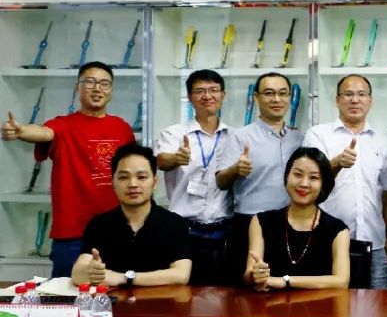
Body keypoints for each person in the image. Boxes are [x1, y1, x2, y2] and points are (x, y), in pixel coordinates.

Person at [2, 61, 135, 277]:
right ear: (77, 87)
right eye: (89, 82)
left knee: (117, 292)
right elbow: (43, 133)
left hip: (117, 229)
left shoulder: (122, 128)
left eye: (104, 83)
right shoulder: (63, 125)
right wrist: (21, 131)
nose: (97, 88)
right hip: (72, 233)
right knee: (65, 292)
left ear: (111, 90)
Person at [303, 74, 387, 289]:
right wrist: (336, 162)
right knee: (328, 303)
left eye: (361, 94)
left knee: (375, 304)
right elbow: (309, 180)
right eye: (348, 94)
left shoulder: (382, 142)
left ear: (370, 101)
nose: (355, 100)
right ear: (337, 100)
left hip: (373, 243)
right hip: (326, 241)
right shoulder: (318, 135)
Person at [216, 72, 304, 284]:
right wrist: (236, 169)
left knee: (284, 286)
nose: (276, 99)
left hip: (290, 224)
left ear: (290, 97)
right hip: (248, 224)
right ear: (256, 97)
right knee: (244, 290)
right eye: (269, 93)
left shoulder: (299, 138)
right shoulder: (240, 136)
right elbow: (220, 182)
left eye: (283, 93)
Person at [71, 143, 192, 287]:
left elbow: (181, 275)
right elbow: (77, 274)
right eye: (123, 177)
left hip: (162, 300)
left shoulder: (175, 223)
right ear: (113, 183)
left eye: (141, 177)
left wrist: (125, 278)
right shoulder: (98, 225)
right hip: (113, 301)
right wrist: (90, 272)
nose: (133, 184)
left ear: (154, 182)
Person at [154, 69, 233, 285]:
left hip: (224, 231)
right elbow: (161, 160)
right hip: (184, 231)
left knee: (223, 293)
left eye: (213, 90)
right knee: (182, 292)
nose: (207, 96)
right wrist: (177, 158)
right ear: (189, 97)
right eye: (199, 91)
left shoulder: (234, 136)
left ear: (223, 95)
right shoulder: (175, 133)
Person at [246, 147, 350, 290]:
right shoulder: (261, 221)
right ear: (287, 177)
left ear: (323, 185)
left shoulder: (338, 230)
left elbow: (341, 281)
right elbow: (249, 276)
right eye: (298, 174)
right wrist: (256, 274)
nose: (304, 184)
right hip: (270, 302)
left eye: (313, 177)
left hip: (320, 303)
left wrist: (285, 281)